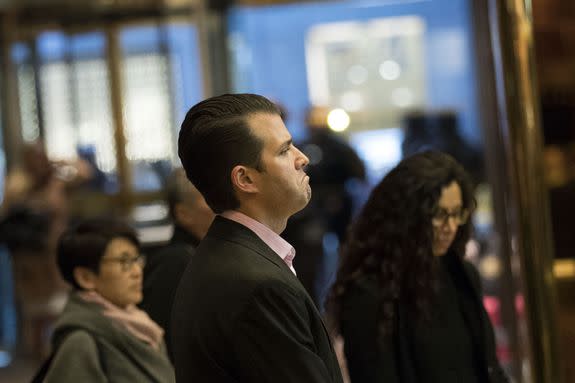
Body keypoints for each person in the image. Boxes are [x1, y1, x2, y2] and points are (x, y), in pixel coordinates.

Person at [172, 93, 344, 382]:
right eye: (284, 150)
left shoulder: (230, 254)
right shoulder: (257, 284)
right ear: (245, 179)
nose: (302, 159)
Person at [326, 151, 509, 383]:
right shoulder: (369, 294)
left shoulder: (460, 274)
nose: (450, 226)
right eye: (439, 214)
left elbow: (487, 366)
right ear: (407, 216)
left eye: (456, 214)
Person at [41, 218, 175, 382]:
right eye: (124, 262)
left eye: (136, 259)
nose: (137, 271)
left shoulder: (136, 323)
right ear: (85, 277)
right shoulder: (81, 341)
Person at [140, 167, 214, 356]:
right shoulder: (175, 263)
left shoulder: (209, 253)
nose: (223, 204)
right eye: (209, 197)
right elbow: (163, 340)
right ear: (183, 213)